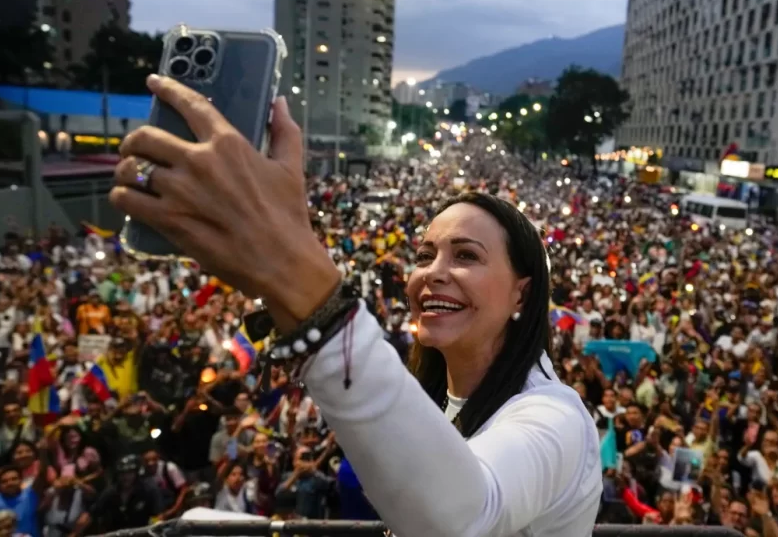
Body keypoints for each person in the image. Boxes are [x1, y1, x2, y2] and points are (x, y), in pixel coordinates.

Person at [109, 75, 602, 536]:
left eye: (467, 255)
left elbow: (464, 517)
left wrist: (298, 278)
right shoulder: (434, 399)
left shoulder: (555, 417)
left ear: (523, 292)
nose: (433, 273)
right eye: (425, 255)